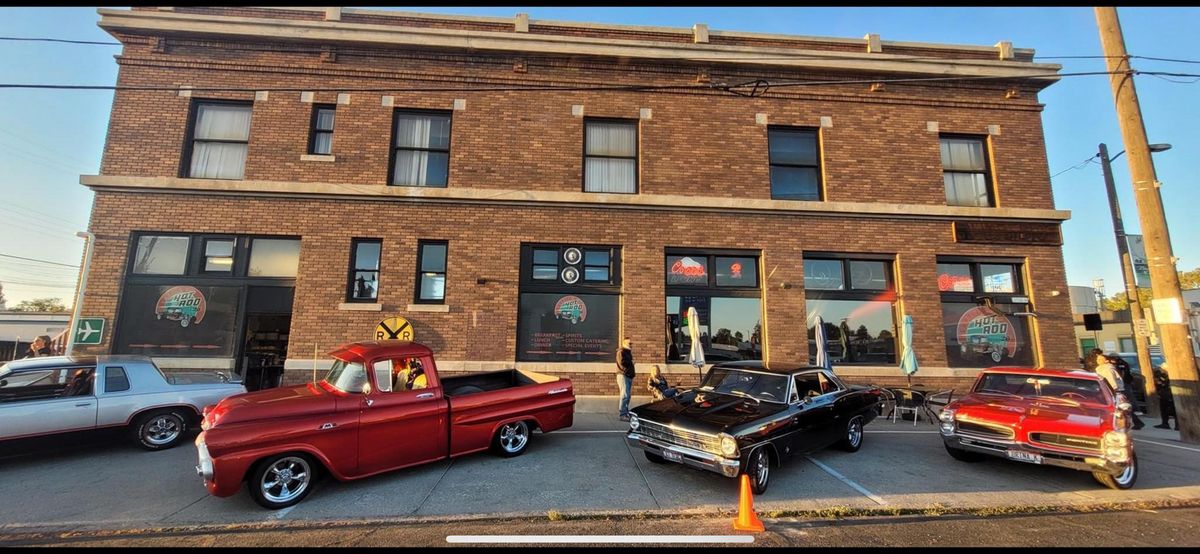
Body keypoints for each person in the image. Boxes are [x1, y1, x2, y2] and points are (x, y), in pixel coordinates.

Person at [1109, 354, 1144, 430]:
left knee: (1125, 404)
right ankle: (1137, 422)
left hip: (1123, 385)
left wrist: (1120, 384)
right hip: (1122, 385)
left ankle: (1137, 419)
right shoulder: (1119, 364)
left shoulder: (1121, 364)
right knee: (1123, 406)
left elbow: (1122, 375)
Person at [1153, 363, 1179, 430]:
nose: (1161, 370)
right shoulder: (1163, 375)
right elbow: (1159, 383)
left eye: (1162, 369)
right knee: (1163, 410)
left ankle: (1177, 425)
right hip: (1164, 394)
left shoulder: (1170, 375)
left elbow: (1164, 384)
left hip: (1169, 395)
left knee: (1174, 410)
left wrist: (1161, 383)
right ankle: (1165, 423)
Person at [616, 338, 636, 421]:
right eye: (629, 343)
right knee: (625, 395)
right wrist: (631, 363)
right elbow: (622, 363)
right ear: (624, 343)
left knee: (628, 396)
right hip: (623, 375)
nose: (631, 345)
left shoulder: (628, 352)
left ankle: (626, 413)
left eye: (631, 343)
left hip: (628, 376)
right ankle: (623, 414)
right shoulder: (621, 352)